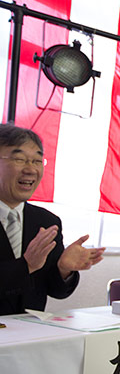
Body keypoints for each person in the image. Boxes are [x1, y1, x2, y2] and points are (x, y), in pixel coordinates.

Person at [0, 124, 104, 316]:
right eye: (20, 159)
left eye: (37, 161)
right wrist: (26, 266)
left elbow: (55, 290)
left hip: (31, 336)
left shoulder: (47, 221)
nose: (31, 169)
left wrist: (63, 269)